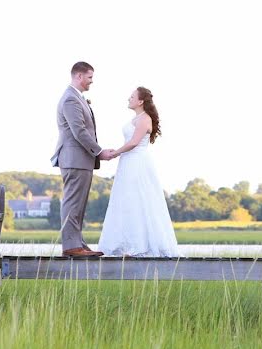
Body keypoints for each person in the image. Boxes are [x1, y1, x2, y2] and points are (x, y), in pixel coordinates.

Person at [98, 87, 178, 257]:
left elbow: (134, 142)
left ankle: (141, 245)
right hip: (128, 162)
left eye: (132, 96)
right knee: (126, 199)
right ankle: (124, 243)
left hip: (136, 162)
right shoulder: (137, 118)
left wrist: (115, 153)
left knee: (138, 199)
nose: (129, 98)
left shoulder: (144, 119)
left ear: (140, 101)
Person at [51, 62, 117, 258]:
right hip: (74, 158)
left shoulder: (76, 98)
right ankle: (71, 246)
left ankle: (77, 242)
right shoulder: (71, 99)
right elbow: (78, 131)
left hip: (80, 159)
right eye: (89, 77)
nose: (91, 81)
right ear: (79, 76)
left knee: (79, 204)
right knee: (73, 202)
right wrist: (99, 152)